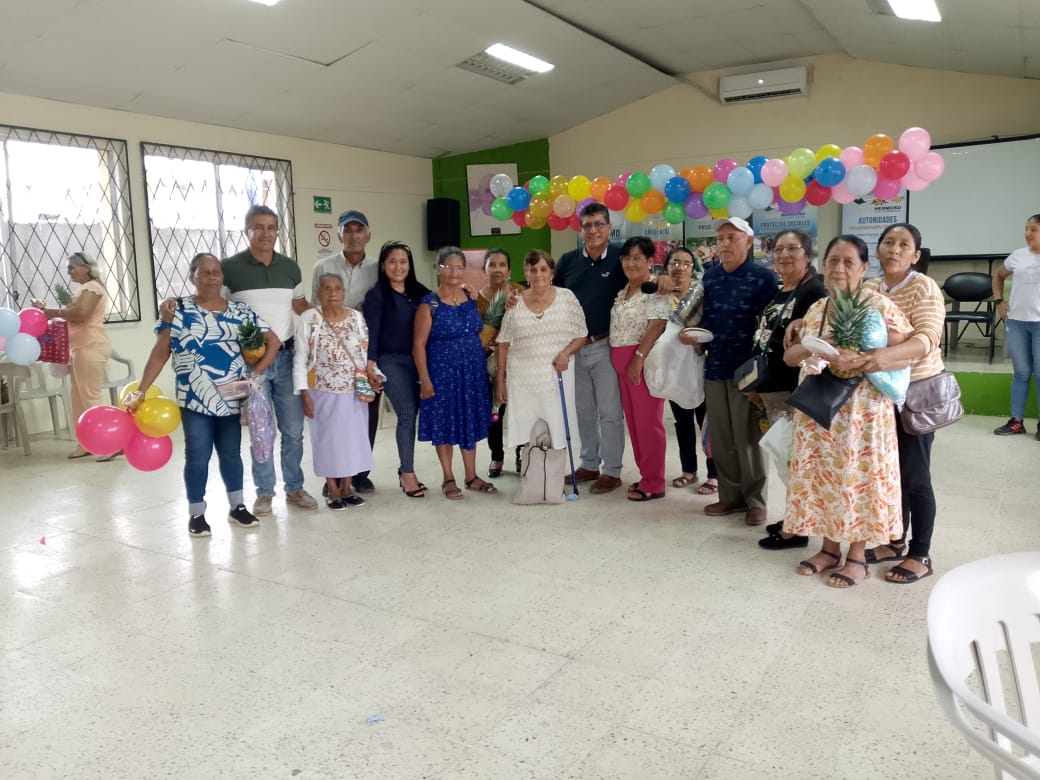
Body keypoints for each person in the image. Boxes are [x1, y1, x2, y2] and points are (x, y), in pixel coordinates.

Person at [782, 235, 912, 588]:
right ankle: (828, 549)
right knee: (824, 475)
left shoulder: (878, 305)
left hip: (863, 412)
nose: (839, 268)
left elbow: (905, 350)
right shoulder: (816, 309)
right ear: (823, 266)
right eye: (833, 261)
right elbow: (790, 356)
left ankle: (857, 557)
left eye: (849, 262)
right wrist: (813, 350)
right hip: (821, 408)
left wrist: (867, 358)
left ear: (864, 267)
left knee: (859, 478)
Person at [131, 253, 279, 537]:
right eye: (205, 272)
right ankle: (197, 513)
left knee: (231, 453)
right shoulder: (178, 310)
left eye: (216, 272)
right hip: (193, 396)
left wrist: (255, 375)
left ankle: (237, 507)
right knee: (197, 455)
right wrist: (141, 390)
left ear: (223, 277)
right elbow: (160, 352)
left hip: (233, 393)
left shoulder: (241, 312)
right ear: (192, 278)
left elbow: (273, 341)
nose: (212, 277)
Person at [857, 223, 947, 584]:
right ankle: (895, 542)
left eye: (903, 245)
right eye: (888, 242)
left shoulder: (924, 287)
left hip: (916, 394)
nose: (894, 249)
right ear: (877, 250)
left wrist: (886, 356)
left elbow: (928, 338)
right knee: (890, 473)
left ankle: (920, 553)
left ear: (915, 256)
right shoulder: (870, 288)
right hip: (881, 395)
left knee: (916, 475)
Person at [220, 205, 318, 515]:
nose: (266, 233)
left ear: (277, 231)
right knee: (260, 430)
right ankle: (264, 492)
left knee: (293, 430)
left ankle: (295, 488)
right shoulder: (229, 268)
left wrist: (329, 317)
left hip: (288, 359)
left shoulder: (290, 267)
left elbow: (300, 305)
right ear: (247, 230)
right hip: (250, 364)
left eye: (271, 227)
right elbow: (217, 307)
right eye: (259, 227)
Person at [689, 217, 777, 526]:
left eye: (732, 237)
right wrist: (693, 335)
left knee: (748, 437)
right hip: (715, 366)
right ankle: (730, 496)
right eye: (721, 238)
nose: (724, 243)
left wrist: (762, 376)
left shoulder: (762, 278)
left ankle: (755, 501)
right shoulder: (710, 277)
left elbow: (770, 327)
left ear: (749, 242)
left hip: (748, 371)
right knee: (722, 437)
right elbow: (703, 318)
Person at [753, 230, 827, 550]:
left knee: (795, 460)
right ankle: (793, 518)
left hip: (793, 388)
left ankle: (797, 529)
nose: (784, 254)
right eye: (779, 249)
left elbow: (810, 344)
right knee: (786, 458)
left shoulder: (813, 292)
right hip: (772, 386)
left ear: (807, 255)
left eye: (792, 248)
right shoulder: (781, 289)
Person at [552, 202, 626, 494]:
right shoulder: (567, 261)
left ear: (609, 228)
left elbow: (641, 281)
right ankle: (589, 464)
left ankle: (612, 470)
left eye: (598, 224)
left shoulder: (621, 257)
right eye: (587, 225)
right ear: (580, 230)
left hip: (605, 345)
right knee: (583, 410)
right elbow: (551, 295)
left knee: (609, 411)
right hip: (574, 348)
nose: (593, 230)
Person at [413, 246, 496, 499]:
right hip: (442, 374)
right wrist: (424, 379)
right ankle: (448, 477)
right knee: (444, 422)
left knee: (468, 421)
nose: (454, 272)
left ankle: (471, 476)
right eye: (448, 267)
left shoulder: (470, 297)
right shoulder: (429, 304)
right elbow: (418, 345)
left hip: (472, 374)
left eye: (459, 267)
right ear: (438, 269)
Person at [495, 250, 587, 467]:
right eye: (532, 270)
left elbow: (582, 335)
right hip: (522, 378)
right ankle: (532, 475)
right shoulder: (515, 302)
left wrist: (565, 354)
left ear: (552, 273)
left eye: (543, 269)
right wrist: (500, 379)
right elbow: (504, 342)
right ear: (526, 274)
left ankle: (553, 477)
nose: (538, 274)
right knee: (527, 431)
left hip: (556, 375)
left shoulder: (566, 297)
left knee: (557, 428)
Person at [294, 274, 377, 509]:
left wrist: (374, 374)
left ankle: (346, 488)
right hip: (321, 390)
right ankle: (332, 488)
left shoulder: (356, 317)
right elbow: (300, 358)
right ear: (318, 293)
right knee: (327, 441)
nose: (333, 293)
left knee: (352, 440)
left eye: (337, 288)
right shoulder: (309, 318)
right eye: (327, 289)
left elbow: (365, 352)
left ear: (343, 293)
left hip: (353, 391)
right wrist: (303, 392)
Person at [311, 210, 380, 493]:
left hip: (365, 349)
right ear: (339, 235)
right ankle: (334, 475)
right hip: (330, 355)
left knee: (365, 410)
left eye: (358, 229)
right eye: (347, 230)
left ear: (368, 235)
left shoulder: (378, 268)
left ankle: (359, 473)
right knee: (331, 418)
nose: (353, 235)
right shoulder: (323, 266)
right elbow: (315, 307)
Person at [362, 241, 430, 498]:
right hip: (391, 360)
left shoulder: (420, 293)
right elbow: (372, 333)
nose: (398, 267)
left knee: (415, 412)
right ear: (383, 265)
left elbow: (443, 304)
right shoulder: (377, 296)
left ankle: (407, 468)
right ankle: (407, 472)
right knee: (407, 412)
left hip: (419, 361)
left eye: (403, 262)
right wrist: (371, 364)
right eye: (392, 261)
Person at [34, 252, 112, 459]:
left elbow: (80, 315)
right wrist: (49, 311)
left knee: (90, 397)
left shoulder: (92, 288)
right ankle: (86, 443)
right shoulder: (83, 289)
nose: (68, 272)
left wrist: (51, 313)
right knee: (78, 398)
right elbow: (72, 315)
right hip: (79, 348)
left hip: (90, 346)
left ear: (86, 268)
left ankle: (109, 444)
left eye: (72, 267)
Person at [610, 237, 671, 501]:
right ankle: (646, 474)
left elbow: (658, 324)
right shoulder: (624, 291)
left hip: (641, 362)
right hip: (622, 365)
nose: (631, 263)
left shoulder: (654, 288)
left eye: (637, 258)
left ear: (649, 261)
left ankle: (655, 483)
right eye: (626, 258)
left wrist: (638, 357)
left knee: (648, 424)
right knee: (634, 425)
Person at [662, 246, 717, 494]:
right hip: (675, 370)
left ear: (692, 269)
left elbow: (712, 326)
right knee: (682, 422)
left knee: (706, 422)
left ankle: (714, 474)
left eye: (686, 263)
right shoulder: (661, 298)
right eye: (675, 262)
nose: (680, 268)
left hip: (701, 365)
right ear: (666, 267)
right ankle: (688, 470)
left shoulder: (701, 294)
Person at [992, 213, 1040, 439]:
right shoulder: (1018, 256)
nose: (1028, 234)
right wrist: (999, 301)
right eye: (1026, 229)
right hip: (1017, 322)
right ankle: (1016, 422)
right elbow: (998, 276)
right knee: (1021, 373)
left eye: (1034, 230)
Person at [477, 248, 524, 477]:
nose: (497, 269)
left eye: (502, 264)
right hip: (489, 363)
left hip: (519, 360)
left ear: (509, 270)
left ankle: (522, 453)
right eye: (492, 265)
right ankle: (496, 455)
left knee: (521, 410)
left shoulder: (520, 292)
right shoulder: (475, 299)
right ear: (484, 270)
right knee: (495, 414)